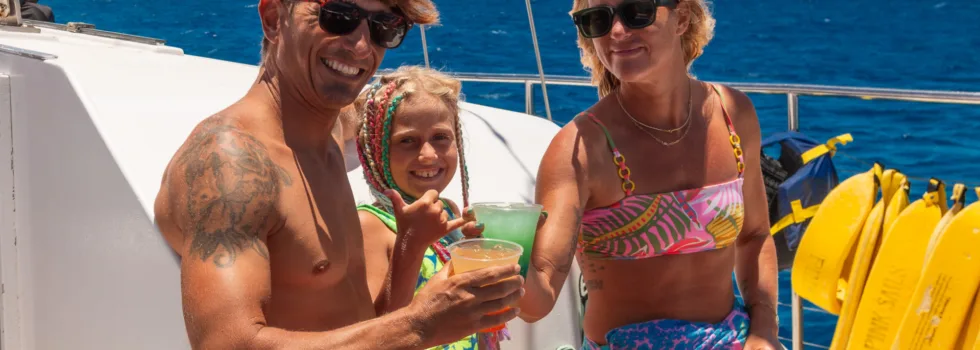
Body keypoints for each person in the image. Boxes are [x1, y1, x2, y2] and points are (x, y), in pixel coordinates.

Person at [152, 0, 523, 348]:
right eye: (338, 15)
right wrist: (420, 324)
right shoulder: (230, 164)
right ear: (273, 19)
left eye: (384, 27)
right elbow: (226, 344)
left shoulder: (327, 133)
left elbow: (363, 322)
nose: (362, 46)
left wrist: (411, 251)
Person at [519, 0, 780, 349]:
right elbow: (541, 291)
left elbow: (754, 235)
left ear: (682, 18)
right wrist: (499, 258)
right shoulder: (579, 149)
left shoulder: (733, 113)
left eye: (636, 11)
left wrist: (764, 331)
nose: (617, 31)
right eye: (596, 19)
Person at [353, 66, 498, 350]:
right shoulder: (371, 226)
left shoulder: (449, 210)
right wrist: (412, 242)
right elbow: (375, 334)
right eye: (407, 141)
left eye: (441, 137)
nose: (428, 155)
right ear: (375, 150)